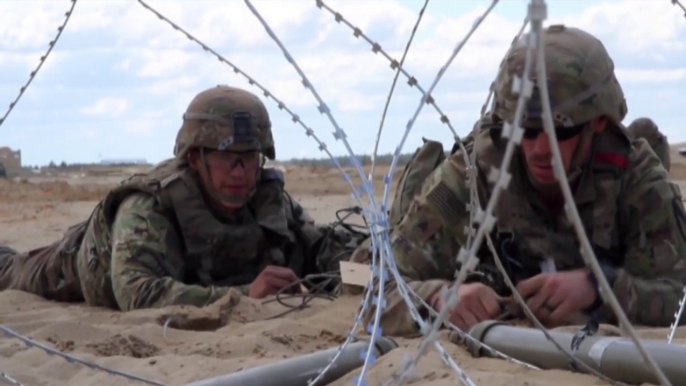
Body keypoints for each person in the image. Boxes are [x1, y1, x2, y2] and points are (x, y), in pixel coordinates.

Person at [354, 25, 686, 336]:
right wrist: (439, 298)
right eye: (525, 129)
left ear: (597, 123)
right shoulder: (476, 173)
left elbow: (678, 293)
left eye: (561, 132)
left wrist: (603, 290)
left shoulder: (633, 175)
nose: (540, 149)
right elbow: (373, 286)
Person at [0, 85, 363, 311]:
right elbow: (136, 293)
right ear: (195, 158)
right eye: (227, 158)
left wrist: (366, 270)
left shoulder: (264, 197)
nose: (241, 171)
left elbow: (321, 247)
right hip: (69, 267)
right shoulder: (149, 206)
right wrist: (244, 296)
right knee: (9, 269)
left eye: (250, 158)